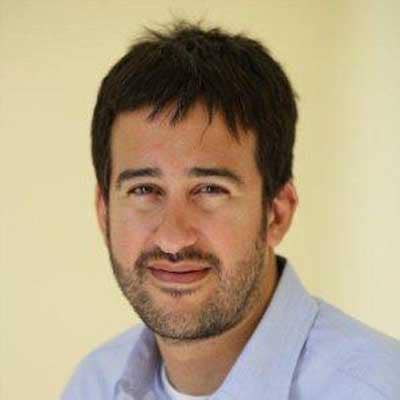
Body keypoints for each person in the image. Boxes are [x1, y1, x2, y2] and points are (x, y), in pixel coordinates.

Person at [61, 20, 400, 400]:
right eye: (144, 190)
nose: (173, 239)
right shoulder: (92, 385)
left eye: (210, 189)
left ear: (277, 214)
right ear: (104, 212)